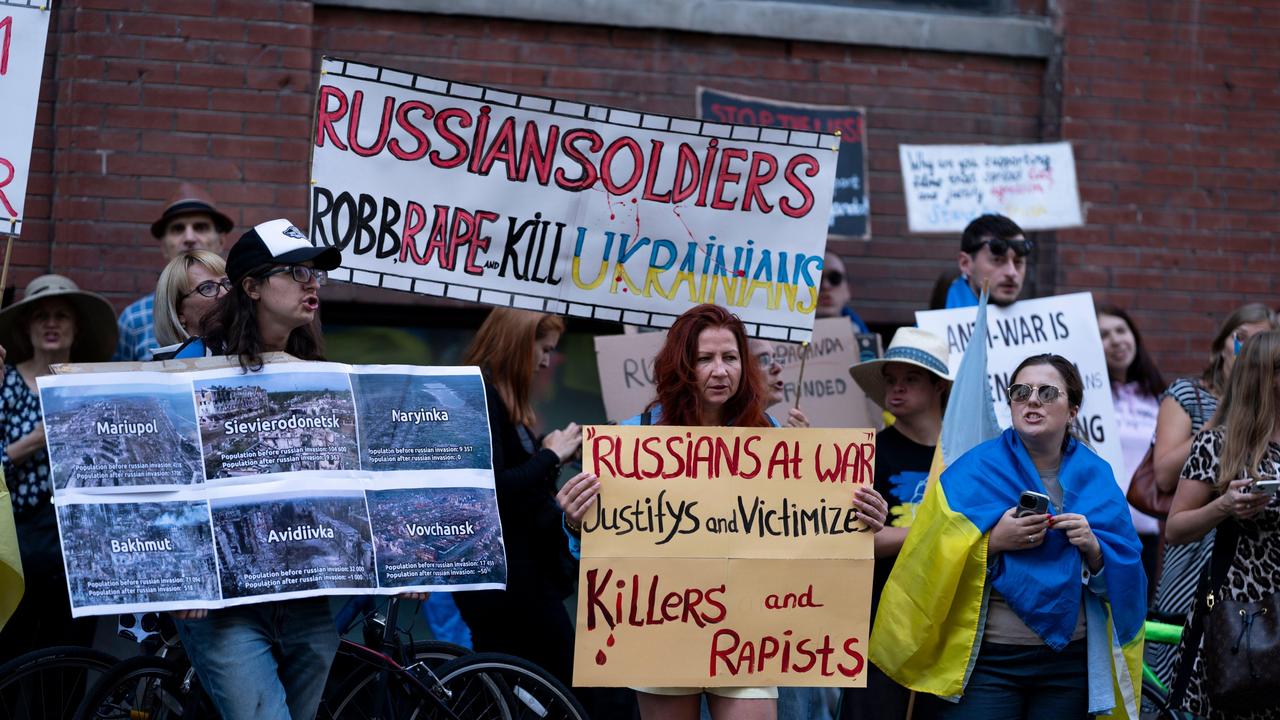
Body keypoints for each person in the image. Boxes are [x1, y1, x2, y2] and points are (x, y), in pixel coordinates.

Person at [557, 303, 888, 720]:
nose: (720, 370)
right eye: (704, 359)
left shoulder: (768, 436)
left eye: (730, 358)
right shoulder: (632, 437)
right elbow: (595, 550)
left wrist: (856, 515)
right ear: (681, 366)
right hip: (661, 627)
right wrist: (574, 518)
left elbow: (804, 536)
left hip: (747, 630)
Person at [870, 354, 1146, 719]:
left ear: (1073, 409)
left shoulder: (1098, 477)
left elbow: (1127, 578)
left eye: (1047, 392)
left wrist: (1094, 549)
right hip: (986, 662)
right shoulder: (973, 470)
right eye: (1020, 391)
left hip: (1068, 665)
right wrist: (992, 541)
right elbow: (926, 557)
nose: (1032, 400)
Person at [172, 219, 342, 720]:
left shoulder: (317, 370)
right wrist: (188, 574)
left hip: (303, 596)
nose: (311, 282)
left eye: (314, 272)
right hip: (223, 601)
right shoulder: (195, 361)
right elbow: (163, 473)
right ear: (250, 286)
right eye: (294, 271)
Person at [1146, 302, 1278, 688]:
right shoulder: (1218, 444)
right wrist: (1225, 505)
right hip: (1238, 602)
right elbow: (1176, 528)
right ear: (1264, 377)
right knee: (1235, 697)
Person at [452, 308, 583, 687]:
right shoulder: (481, 396)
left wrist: (550, 458)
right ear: (517, 344)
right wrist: (550, 455)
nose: (546, 361)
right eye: (543, 349)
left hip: (517, 573)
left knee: (515, 688)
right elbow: (494, 490)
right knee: (561, 683)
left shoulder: (503, 398)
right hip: (506, 578)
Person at [0, 275, 117, 663]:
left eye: (61, 316)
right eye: (41, 316)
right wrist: (36, 439)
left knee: (68, 656)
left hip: (79, 543)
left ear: (77, 327)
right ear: (26, 327)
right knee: (11, 653)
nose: (52, 323)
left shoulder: (92, 388)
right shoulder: (6, 385)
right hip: (17, 538)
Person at [841, 328, 952, 719]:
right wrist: (936, 537)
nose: (896, 389)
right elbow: (850, 541)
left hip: (949, 630)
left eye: (911, 379)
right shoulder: (866, 452)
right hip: (877, 630)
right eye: (890, 380)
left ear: (938, 386)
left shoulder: (967, 457)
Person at [115, 183, 233, 361]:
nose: (189, 238)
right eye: (178, 229)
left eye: (200, 227)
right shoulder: (133, 319)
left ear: (221, 241)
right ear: (163, 246)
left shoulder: (248, 306)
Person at [1097, 305, 1166, 583]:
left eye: (1121, 330)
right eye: (1104, 334)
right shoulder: (1085, 397)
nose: (1115, 340)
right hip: (1098, 529)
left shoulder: (1159, 396)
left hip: (1145, 530)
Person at [152, 249, 230, 359]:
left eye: (228, 283)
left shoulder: (257, 349)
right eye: (207, 288)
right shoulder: (161, 372)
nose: (225, 293)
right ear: (178, 312)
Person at [944, 214, 1031, 308]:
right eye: (997, 260)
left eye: (1018, 262)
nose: (1011, 272)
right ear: (965, 264)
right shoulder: (937, 321)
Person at [747, 338, 808, 427]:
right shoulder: (725, 425)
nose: (778, 367)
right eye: (764, 359)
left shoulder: (773, 424)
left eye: (774, 357)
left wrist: (797, 440)